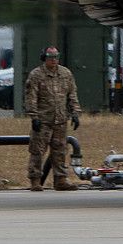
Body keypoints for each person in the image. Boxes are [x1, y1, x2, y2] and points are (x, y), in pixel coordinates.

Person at [25, 46, 81, 191]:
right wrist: (34, 116)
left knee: (60, 151)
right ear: (44, 58)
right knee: (37, 151)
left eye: (56, 57)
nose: (53, 60)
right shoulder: (36, 75)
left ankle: (60, 179)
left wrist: (75, 113)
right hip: (43, 119)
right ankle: (35, 180)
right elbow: (31, 97)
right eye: (50, 57)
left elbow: (72, 95)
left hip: (60, 120)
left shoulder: (65, 73)